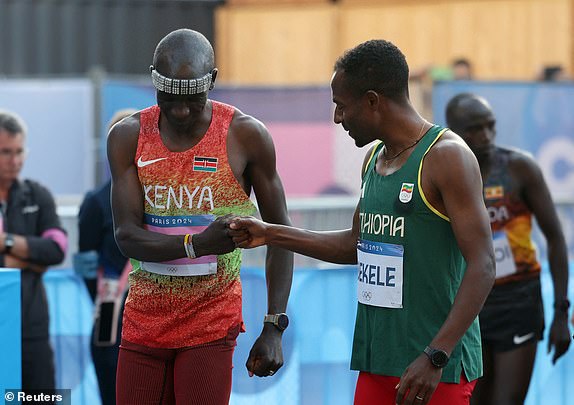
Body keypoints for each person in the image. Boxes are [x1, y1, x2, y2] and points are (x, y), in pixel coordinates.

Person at [230, 39, 495, 405]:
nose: (338, 118)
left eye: (341, 106)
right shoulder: (374, 160)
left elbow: (483, 264)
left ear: (373, 101)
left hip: (435, 369)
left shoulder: (447, 157)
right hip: (379, 361)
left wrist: (436, 355)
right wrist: (270, 233)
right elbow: (355, 244)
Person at [106, 29, 293, 405]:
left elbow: (281, 235)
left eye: (192, 98)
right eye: (168, 97)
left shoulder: (245, 136)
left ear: (213, 81)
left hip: (210, 324)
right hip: (144, 323)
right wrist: (196, 245)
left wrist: (274, 325)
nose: (179, 110)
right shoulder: (128, 136)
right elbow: (126, 237)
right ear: (153, 82)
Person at [445, 93, 571, 405]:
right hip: (470, 304)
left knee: (508, 401)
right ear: (455, 132)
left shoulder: (520, 169)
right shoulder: (445, 176)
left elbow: (555, 239)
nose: (486, 136)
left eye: (490, 126)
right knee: (474, 400)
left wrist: (560, 312)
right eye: (475, 129)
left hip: (518, 301)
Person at [0, 110, 67, 392]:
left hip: (32, 329)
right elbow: (40, 258)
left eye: (19, 151)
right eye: (4, 152)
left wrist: (7, 243)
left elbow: (56, 249)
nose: (14, 161)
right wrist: (31, 260)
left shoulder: (37, 195)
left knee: (43, 398)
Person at [75, 109, 136, 405]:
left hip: (157, 323)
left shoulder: (162, 199)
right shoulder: (96, 202)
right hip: (110, 324)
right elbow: (84, 263)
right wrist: (109, 301)